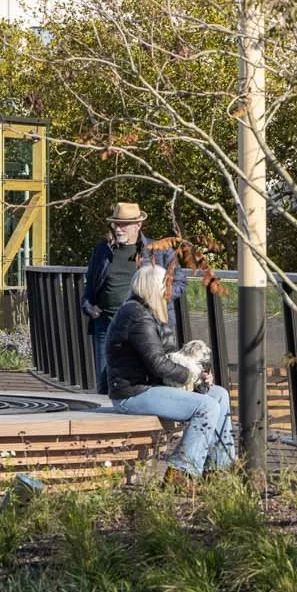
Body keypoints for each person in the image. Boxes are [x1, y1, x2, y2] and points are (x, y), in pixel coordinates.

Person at [105, 262, 236, 477]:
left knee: (219, 395)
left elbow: (170, 356)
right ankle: (181, 471)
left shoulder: (150, 312)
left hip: (152, 387)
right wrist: (191, 376)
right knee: (206, 406)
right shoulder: (137, 317)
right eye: (166, 285)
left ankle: (218, 468)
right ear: (152, 287)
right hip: (133, 393)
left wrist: (200, 374)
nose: (170, 290)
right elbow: (157, 363)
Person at [81, 203, 154, 394]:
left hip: (139, 327)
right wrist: (89, 307)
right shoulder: (102, 250)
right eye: (116, 224)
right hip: (106, 324)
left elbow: (178, 282)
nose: (119, 228)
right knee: (105, 383)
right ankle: (104, 422)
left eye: (124, 224)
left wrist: (156, 303)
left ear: (138, 225)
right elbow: (90, 284)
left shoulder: (154, 251)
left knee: (140, 380)